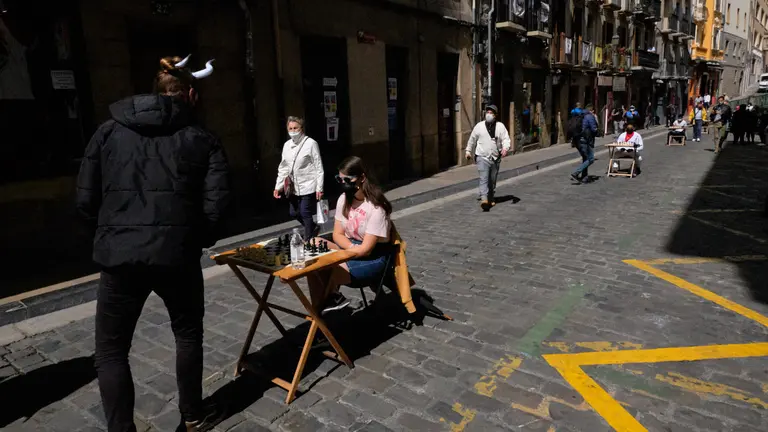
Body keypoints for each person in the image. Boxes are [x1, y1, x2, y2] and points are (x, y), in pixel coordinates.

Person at [76, 55, 231, 432]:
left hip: (120, 256)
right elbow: (219, 206)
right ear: (190, 94)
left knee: (111, 351)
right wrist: (193, 239)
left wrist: (111, 231)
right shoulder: (202, 138)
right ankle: (192, 414)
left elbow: (84, 200)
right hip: (177, 255)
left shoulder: (109, 132)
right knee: (187, 334)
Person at [311, 156, 393, 312]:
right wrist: (349, 248)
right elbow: (337, 234)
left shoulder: (376, 207)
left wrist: (343, 254)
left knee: (322, 268)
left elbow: (366, 249)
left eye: (347, 180)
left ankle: (321, 316)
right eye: (339, 179)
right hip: (351, 247)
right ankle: (331, 299)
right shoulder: (344, 198)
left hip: (373, 257)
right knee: (314, 244)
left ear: (362, 178)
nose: (343, 184)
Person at [274, 116, 324, 241]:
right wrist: (278, 186)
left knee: (305, 211)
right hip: (293, 186)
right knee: (293, 213)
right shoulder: (287, 145)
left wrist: (319, 188)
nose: (293, 131)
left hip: (308, 183)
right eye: (290, 128)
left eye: (295, 128)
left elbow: (319, 166)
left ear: (301, 128)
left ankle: (308, 239)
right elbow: (283, 167)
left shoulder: (311, 143)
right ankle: (312, 227)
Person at [465, 104, 511, 211]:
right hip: (482, 156)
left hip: (495, 157)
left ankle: (490, 197)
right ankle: (484, 200)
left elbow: (506, 139)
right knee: (483, 178)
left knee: (492, 180)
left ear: (495, 115)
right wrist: (468, 151)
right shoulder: (479, 126)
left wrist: (505, 148)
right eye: (487, 112)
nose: (489, 114)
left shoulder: (500, 126)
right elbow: (472, 139)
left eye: (491, 113)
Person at [570, 104, 598, 183]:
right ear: (591, 110)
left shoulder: (579, 115)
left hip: (577, 140)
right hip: (586, 140)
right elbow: (594, 129)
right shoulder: (590, 116)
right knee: (591, 159)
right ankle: (576, 173)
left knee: (585, 158)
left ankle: (584, 177)